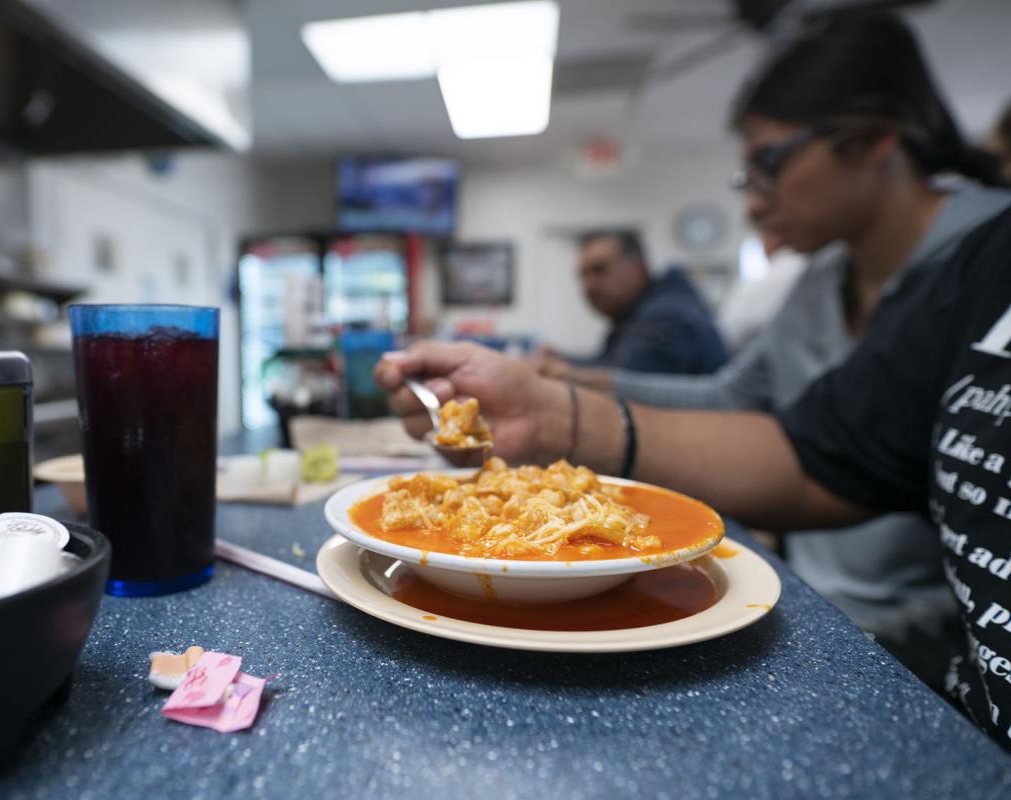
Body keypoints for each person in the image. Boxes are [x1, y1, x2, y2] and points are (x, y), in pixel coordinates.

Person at [375, 205, 1011, 750]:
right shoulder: (978, 267)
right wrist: (547, 411)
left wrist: (557, 400)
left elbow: (741, 406)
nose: (757, 202)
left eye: (768, 161)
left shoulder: (668, 318)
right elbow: (819, 455)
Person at [541, 12, 1011, 684]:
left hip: (916, 641)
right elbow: (755, 410)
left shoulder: (979, 261)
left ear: (876, 139)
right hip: (811, 604)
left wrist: (571, 407)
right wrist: (570, 394)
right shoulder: (821, 277)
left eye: (770, 164)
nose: (756, 204)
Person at [537, 230, 728, 376]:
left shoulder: (667, 318)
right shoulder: (638, 313)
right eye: (583, 275)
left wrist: (561, 369)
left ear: (639, 267)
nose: (589, 285)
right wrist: (562, 360)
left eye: (600, 270)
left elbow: (622, 382)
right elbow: (612, 363)